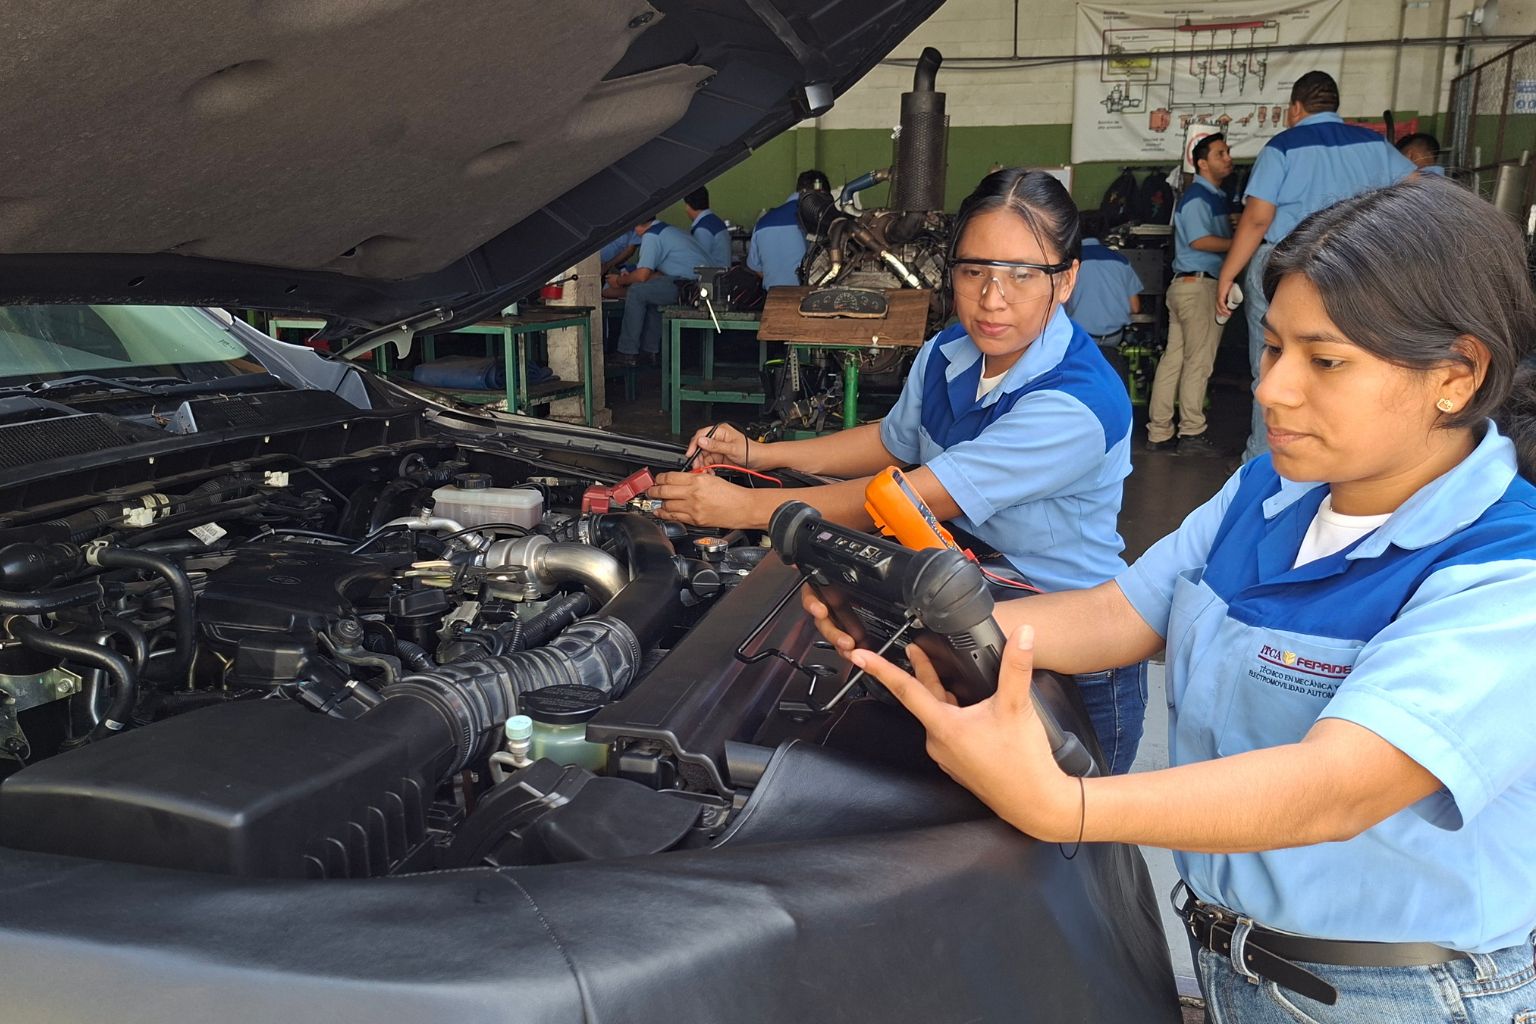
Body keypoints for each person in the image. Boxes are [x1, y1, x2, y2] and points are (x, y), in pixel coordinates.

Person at [808, 176, 1536, 1021]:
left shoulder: (1504, 568)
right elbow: (1120, 614)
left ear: (1456, 374)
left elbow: (1339, 785)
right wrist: (909, 628)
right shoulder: (1272, 489)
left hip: (1392, 992)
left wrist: (1067, 808)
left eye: (1325, 360)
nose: (1271, 391)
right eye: (1271, 350)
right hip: (1233, 955)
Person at [653, 169, 1150, 774]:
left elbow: (912, 499)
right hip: (965, 611)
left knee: (1071, 833)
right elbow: (891, 445)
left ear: (1066, 279)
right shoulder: (949, 352)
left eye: (1023, 274)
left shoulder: (1077, 403)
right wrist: (760, 455)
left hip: (1069, 652)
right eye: (974, 272)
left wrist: (747, 509)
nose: (993, 298)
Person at [1218, 70, 1416, 464]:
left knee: (1276, 366)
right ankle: (1344, 460)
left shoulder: (1283, 147)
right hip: (1361, 266)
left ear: (1295, 108)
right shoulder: (1375, 145)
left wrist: (1227, 275)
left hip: (1287, 268)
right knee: (1350, 365)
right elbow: (1416, 189)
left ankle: (1266, 464)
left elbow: (1257, 219)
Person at [1145, 133, 1234, 456]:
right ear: (1202, 162)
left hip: (1185, 286)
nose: (1228, 158)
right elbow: (1199, 241)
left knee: (1174, 361)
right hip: (1199, 287)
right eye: (1221, 153)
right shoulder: (1199, 197)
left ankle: (1159, 431)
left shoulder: (1209, 197)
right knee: (1198, 362)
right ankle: (1192, 432)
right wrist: (1241, 245)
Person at [608, 216, 708, 367]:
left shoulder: (652, 235)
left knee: (636, 292)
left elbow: (642, 276)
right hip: (699, 284)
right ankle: (649, 352)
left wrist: (618, 281)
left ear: (636, 227)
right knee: (651, 292)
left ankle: (626, 353)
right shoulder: (668, 230)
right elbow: (657, 275)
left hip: (691, 288)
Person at [1062, 213, 1142, 350]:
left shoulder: (1070, 263)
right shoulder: (1121, 261)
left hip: (1080, 338)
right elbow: (1135, 307)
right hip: (1114, 338)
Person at [746, 169, 826, 290]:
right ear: (821, 192)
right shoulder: (820, 221)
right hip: (809, 300)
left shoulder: (762, 223)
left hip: (772, 301)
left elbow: (756, 268)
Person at [684, 186, 732, 268]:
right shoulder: (715, 220)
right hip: (722, 275)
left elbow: (699, 262)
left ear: (689, 206)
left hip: (713, 277)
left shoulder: (702, 229)